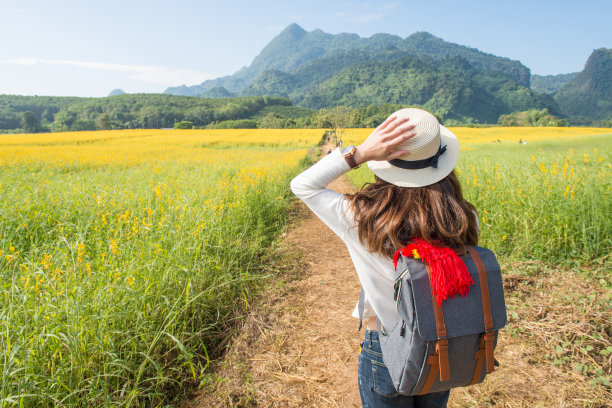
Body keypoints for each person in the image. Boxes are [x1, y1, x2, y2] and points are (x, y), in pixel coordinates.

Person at [290, 108, 479, 407]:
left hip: (387, 344)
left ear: (384, 161)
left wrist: (359, 153)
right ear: (441, 163)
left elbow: (302, 185)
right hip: (444, 342)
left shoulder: (361, 218)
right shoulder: (462, 217)